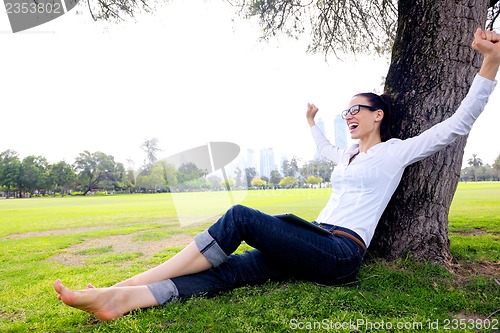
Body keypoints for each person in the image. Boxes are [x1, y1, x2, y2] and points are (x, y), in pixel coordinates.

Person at [54, 28, 500, 321]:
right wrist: (312, 123)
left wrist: (488, 66)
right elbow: (327, 149)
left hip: (340, 253)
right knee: (231, 271)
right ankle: (120, 301)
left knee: (241, 217)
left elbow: (456, 125)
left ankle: (129, 282)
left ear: (377, 114)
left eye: (355, 110)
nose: (348, 115)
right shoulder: (347, 156)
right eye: (345, 111)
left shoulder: (396, 153)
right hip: (312, 238)